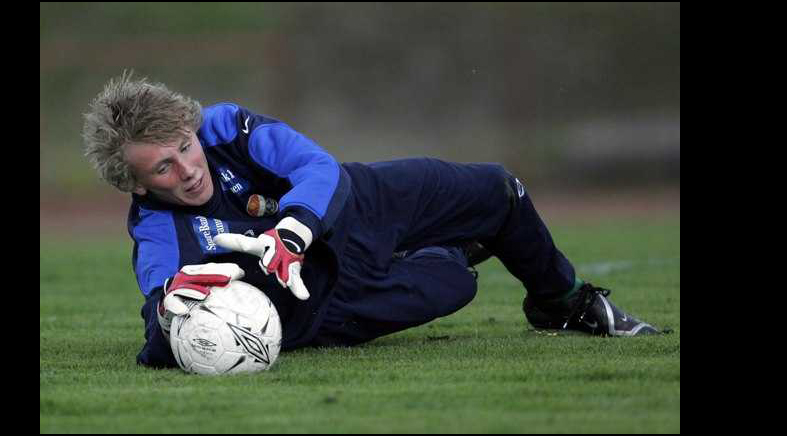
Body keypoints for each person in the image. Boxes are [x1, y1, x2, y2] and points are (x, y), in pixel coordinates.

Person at [81, 72, 661, 369]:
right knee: (454, 283)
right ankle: (443, 254)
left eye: (184, 145)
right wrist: (169, 308)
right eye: (162, 166)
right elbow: (159, 321)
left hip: (358, 204)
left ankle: (563, 304)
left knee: (498, 190)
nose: (186, 168)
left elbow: (317, 167)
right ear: (134, 183)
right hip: (326, 297)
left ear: (192, 125)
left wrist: (293, 227)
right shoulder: (156, 226)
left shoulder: (226, 126)